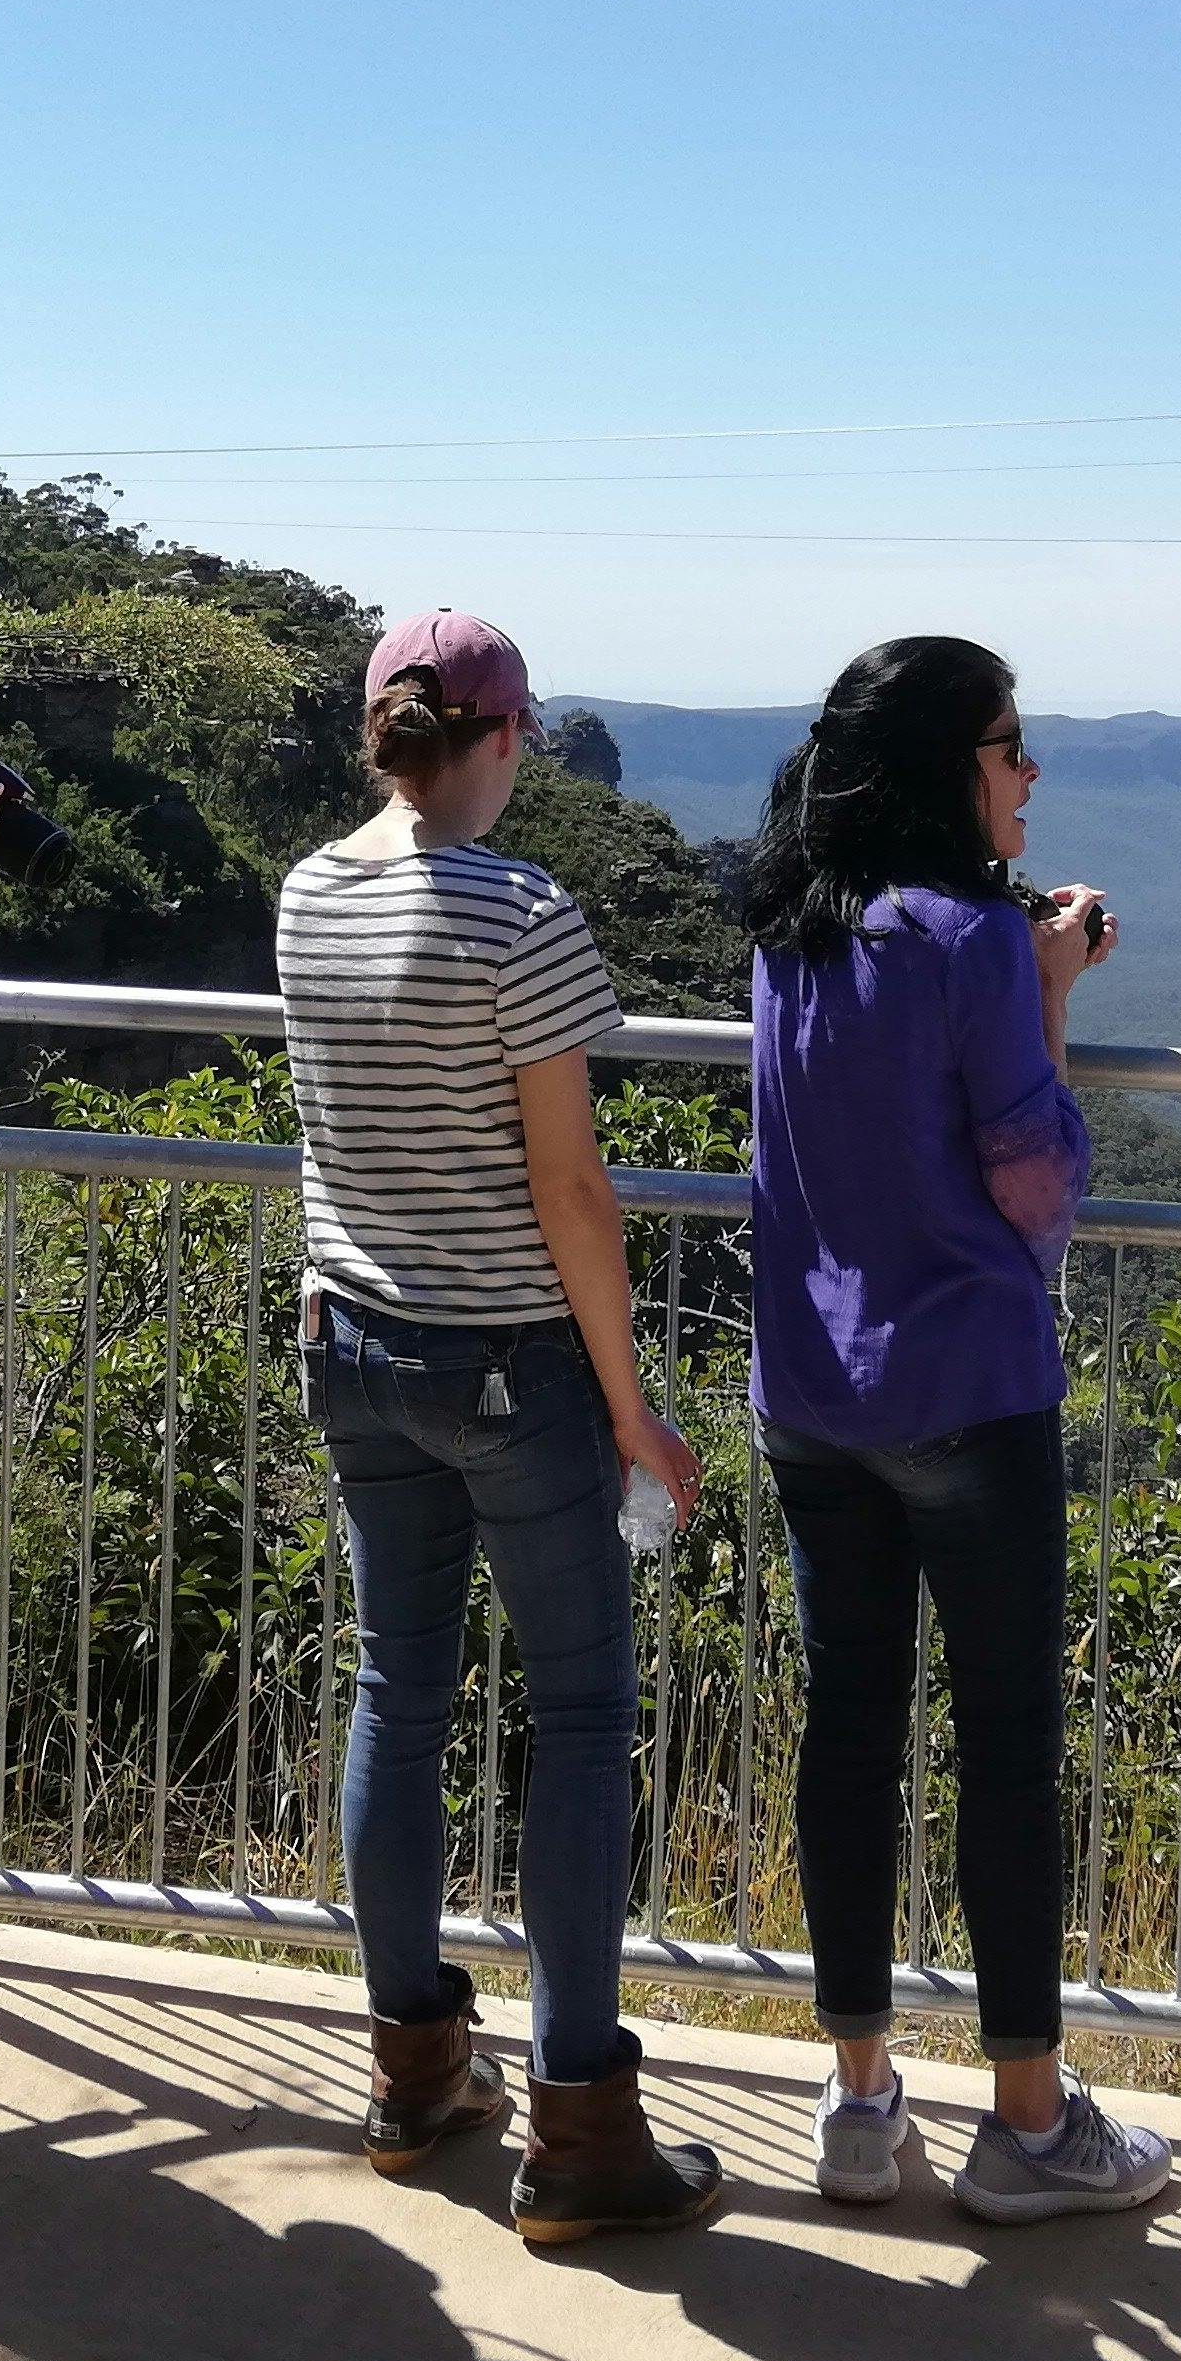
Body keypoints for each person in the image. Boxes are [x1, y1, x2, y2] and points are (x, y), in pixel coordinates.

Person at [277, 608, 722, 2244]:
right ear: (507, 736)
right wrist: (632, 1412)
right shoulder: (520, 911)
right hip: (510, 1364)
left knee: (399, 1685)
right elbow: (574, 1191)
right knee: (584, 1715)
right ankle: (582, 2132)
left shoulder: (306, 893)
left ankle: (411, 2076)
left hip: (354, 1340)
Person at [742, 637, 1178, 2224]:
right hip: (967, 1394)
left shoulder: (789, 930)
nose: (1029, 773)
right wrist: (1047, 992)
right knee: (1004, 1751)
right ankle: (1029, 2123)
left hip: (807, 1396)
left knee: (848, 1733)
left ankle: (859, 2103)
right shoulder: (971, 941)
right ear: (949, 768)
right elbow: (1034, 1179)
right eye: (1008, 746)